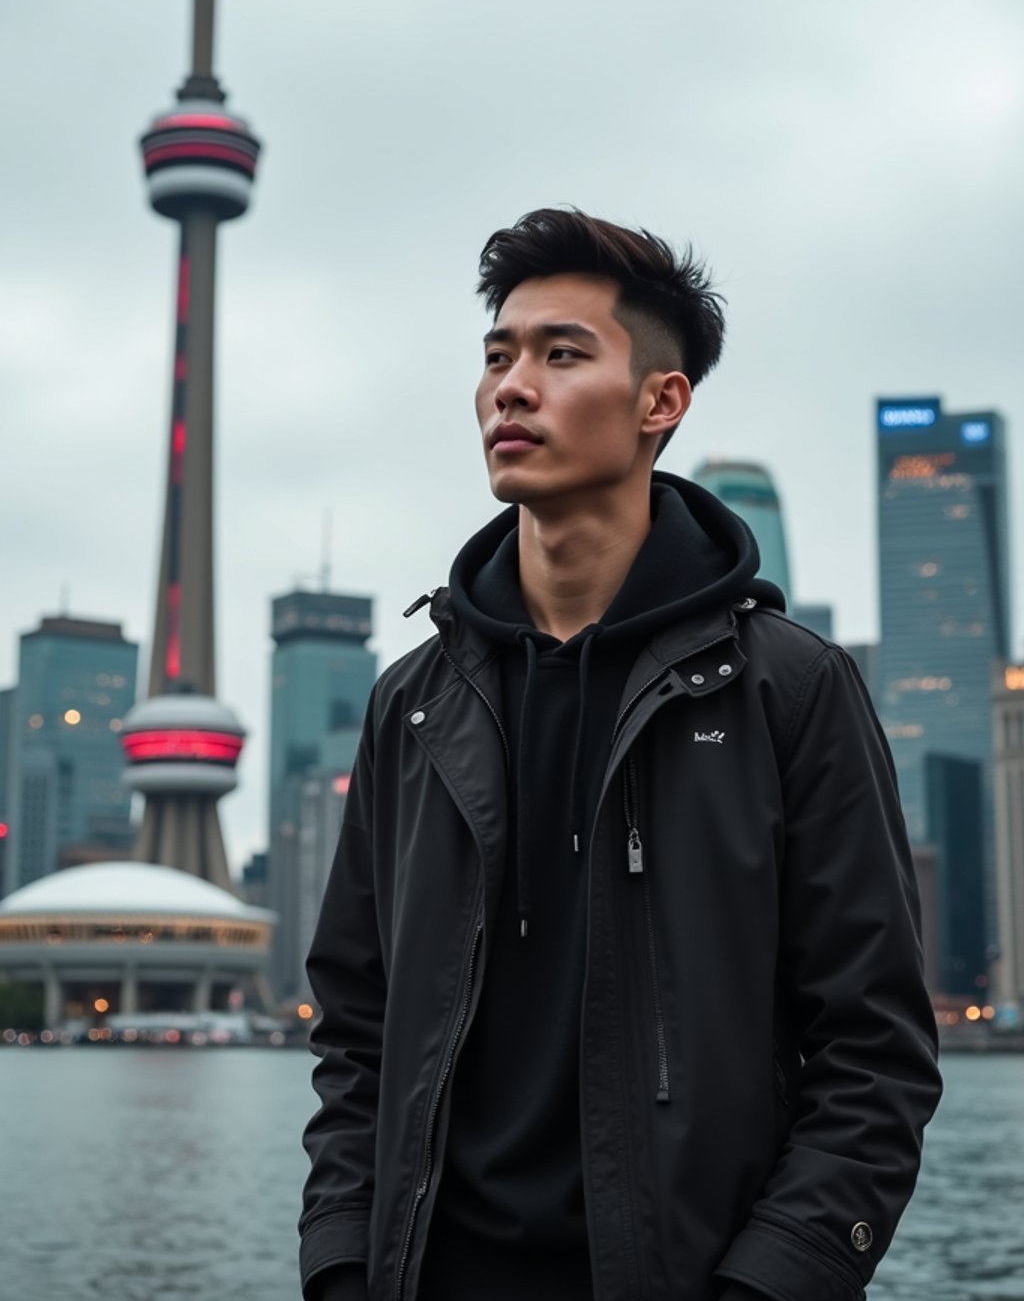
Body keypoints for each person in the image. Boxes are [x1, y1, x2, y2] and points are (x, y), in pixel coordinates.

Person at [299, 208, 942, 1301]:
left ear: (661, 400)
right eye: (497, 355)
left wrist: (768, 1285)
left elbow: (873, 1052)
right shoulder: (412, 703)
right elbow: (355, 1028)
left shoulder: (787, 691)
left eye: (560, 353)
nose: (510, 385)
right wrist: (341, 1264)